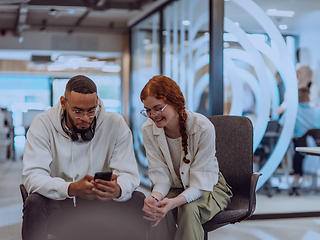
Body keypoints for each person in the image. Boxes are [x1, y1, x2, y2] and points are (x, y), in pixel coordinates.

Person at [22, 75, 146, 240]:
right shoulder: (43, 125)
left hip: (102, 205)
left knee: (137, 199)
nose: (86, 118)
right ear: (63, 103)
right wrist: (70, 188)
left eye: (91, 111)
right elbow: (32, 177)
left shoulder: (115, 124)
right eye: (78, 111)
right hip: (62, 203)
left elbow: (129, 174)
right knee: (34, 202)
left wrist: (118, 189)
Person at [139, 75, 233, 240]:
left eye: (158, 108)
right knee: (157, 209)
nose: (153, 115)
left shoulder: (203, 127)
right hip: (174, 186)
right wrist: (154, 198)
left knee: (188, 210)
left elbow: (200, 183)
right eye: (147, 110)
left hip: (207, 186)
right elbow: (161, 177)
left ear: (175, 102)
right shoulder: (148, 130)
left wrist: (174, 202)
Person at [279, 87, 320, 195]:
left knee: (296, 145)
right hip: (317, 147)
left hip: (300, 149)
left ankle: (296, 178)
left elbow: (282, 125)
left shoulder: (292, 112)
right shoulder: (317, 111)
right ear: (308, 97)